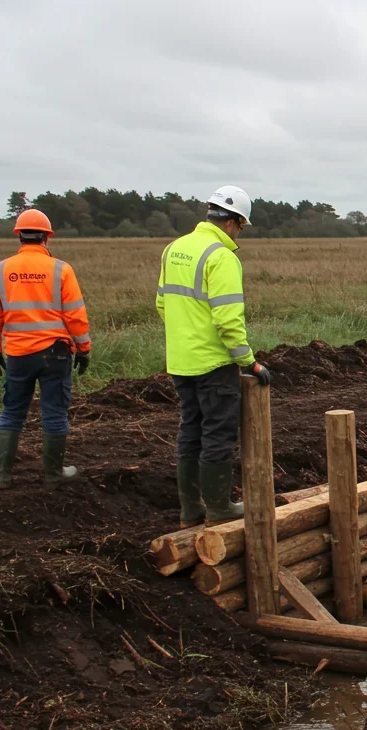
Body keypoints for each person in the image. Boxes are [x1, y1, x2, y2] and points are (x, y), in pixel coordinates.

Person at [157, 185, 273, 528]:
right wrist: (248, 362)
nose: (238, 233)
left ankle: (190, 511)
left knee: (190, 432)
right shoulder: (221, 257)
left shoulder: (173, 249)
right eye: (240, 226)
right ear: (232, 221)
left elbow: (162, 304)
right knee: (218, 436)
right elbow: (228, 321)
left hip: (180, 362)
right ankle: (220, 508)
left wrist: (185, 336)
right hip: (214, 364)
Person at [0, 209, 91, 489]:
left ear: (19, 235)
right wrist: (84, 348)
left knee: (12, 412)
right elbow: (75, 315)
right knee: (54, 413)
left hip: (18, 354)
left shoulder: (0, 270)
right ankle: (54, 475)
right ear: (46, 237)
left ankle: (2, 476)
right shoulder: (61, 269)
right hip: (55, 354)